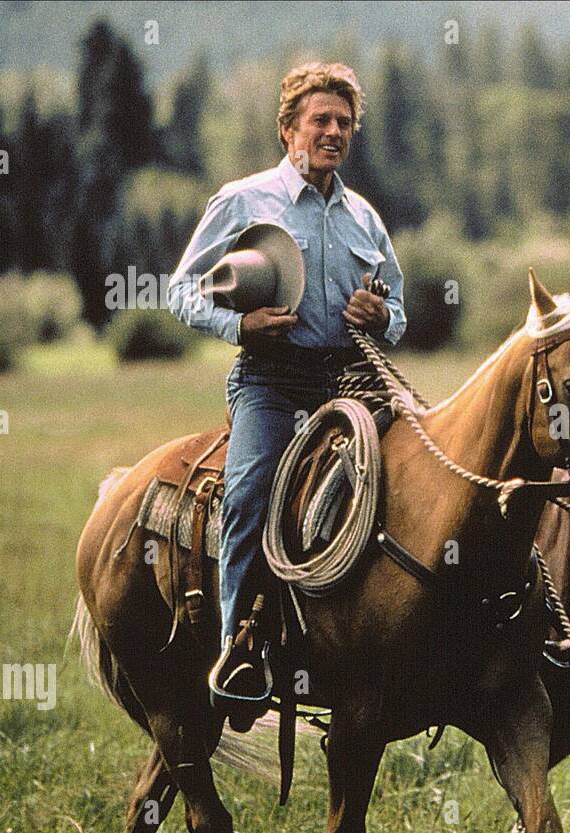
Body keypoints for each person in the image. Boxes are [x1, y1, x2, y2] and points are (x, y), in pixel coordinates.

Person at [167, 62, 405, 722]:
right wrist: (239, 323)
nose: (333, 132)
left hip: (351, 382)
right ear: (288, 130)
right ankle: (238, 646)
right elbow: (180, 290)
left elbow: (403, 310)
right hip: (271, 381)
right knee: (247, 494)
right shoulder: (244, 201)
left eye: (344, 123)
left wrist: (381, 317)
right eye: (320, 121)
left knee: (423, 478)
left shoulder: (363, 217)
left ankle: (389, 634)